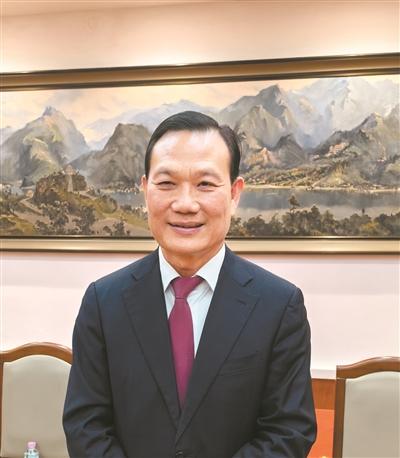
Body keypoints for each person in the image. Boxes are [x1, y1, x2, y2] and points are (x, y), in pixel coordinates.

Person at [63, 111, 317, 458]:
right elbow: (85, 426)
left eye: (205, 184)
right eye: (166, 183)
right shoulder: (103, 302)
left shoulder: (279, 306)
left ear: (235, 193)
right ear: (145, 190)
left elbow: (288, 432)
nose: (185, 204)